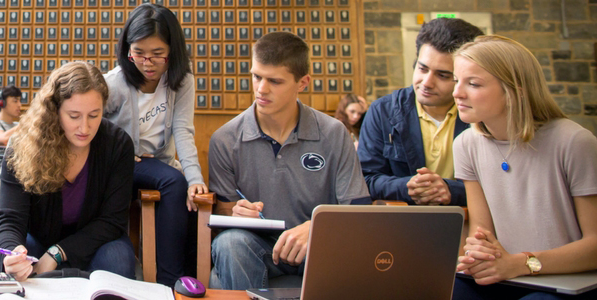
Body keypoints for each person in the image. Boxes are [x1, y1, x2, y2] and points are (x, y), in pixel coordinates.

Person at [206, 32, 369, 291]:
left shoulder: (334, 133)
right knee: (230, 243)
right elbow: (223, 215)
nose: (261, 88)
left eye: (275, 81)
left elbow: (358, 211)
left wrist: (316, 228)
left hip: (320, 245)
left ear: (302, 82)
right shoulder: (225, 139)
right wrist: (236, 214)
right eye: (257, 76)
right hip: (260, 246)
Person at [452, 35, 597, 300]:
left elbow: (595, 246)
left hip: (568, 281)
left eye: (472, 83)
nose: (456, 92)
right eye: (456, 80)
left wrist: (519, 263)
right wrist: (479, 253)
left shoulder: (574, 142)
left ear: (514, 91)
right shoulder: (465, 144)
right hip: (506, 277)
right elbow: (481, 231)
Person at [0, 61, 137, 281]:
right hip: (39, 238)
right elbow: (10, 219)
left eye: (94, 115)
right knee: (20, 259)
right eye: (74, 116)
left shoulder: (118, 145)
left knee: (118, 257)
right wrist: (11, 253)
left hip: (95, 241)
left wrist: (58, 253)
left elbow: (112, 221)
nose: (85, 128)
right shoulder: (23, 145)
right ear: (55, 111)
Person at [103, 3, 205, 286]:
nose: (147, 63)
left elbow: (183, 130)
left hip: (157, 163)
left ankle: (185, 279)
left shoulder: (182, 81)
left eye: (157, 55)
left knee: (190, 194)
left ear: (173, 50)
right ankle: (169, 281)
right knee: (173, 182)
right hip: (120, 165)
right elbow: (90, 125)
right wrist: (121, 150)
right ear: (128, 49)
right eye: (139, 54)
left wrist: (195, 177)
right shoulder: (114, 83)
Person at [357, 18, 483, 206]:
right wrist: (408, 186)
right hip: (402, 226)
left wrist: (450, 189)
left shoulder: (480, 114)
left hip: (469, 224)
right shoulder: (382, 111)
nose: (427, 82)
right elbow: (364, 181)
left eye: (442, 75)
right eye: (422, 68)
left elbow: (497, 185)